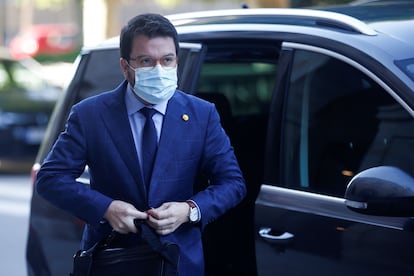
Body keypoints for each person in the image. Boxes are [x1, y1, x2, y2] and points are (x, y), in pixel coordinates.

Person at [36, 13, 246, 276]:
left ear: (176, 61)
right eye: (147, 61)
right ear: (125, 67)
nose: (159, 70)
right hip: (111, 258)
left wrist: (190, 210)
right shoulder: (90, 114)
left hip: (178, 261)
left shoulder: (201, 115)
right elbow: (50, 178)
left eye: (167, 60)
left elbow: (232, 183)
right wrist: (106, 208)